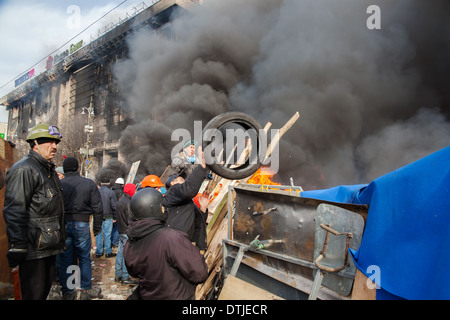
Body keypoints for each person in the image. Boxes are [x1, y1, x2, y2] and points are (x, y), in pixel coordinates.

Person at [3, 123, 65, 300]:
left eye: (56, 142)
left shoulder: (48, 169)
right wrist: (18, 246)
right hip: (33, 251)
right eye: (49, 142)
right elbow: (15, 210)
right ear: (35, 143)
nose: (54, 146)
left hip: (47, 247)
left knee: (42, 294)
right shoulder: (25, 169)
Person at [124, 188, 208, 300]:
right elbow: (199, 273)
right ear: (155, 210)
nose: (164, 209)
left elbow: (133, 273)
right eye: (162, 207)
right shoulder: (171, 238)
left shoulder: (129, 243)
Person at [58, 157, 103, 300]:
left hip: (64, 225)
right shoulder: (88, 184)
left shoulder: (59, 184)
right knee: (84, 257)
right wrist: (97, 227)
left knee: (66, 258)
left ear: (64, 169)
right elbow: (97, 207)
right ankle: (84, 289)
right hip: (82, 224)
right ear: (77, 168)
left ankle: (68, 291)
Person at [162, 148, 208, 250]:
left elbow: (197, 223)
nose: (183, 181)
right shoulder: (172, 192)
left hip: (185, 245)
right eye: (179, 180)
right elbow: (188, 189)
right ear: (172, 184)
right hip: (175, 245)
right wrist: (202, 167)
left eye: (184, 180)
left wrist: (203, 209)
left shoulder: (185, 200)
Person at [115, 183, 137, 285]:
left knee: (120, 252)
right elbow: (130, 218)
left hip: (120, 230)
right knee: (126, 254)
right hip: (126, 231)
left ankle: (117, 274)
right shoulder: (128, 203)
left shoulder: (120, 201)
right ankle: (125, 277)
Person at [96, 179, 117, 258]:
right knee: (108, 234)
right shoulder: (111, 192)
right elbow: (114, 206)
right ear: (109, 183)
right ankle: (108, 252)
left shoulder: (97, 191)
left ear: (101, 183)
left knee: (98, 233)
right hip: (109, 215)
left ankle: (99, 252)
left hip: (99, 215)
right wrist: (115, 217)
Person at [111, 178, 124, 247]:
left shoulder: (111, 190)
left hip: (110, 212)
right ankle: (115, 242)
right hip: (117, 211)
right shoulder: (120, 191)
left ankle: (111, 242)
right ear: (122, 184)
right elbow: (120, 202)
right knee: (117, 228)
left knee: (111, 228)